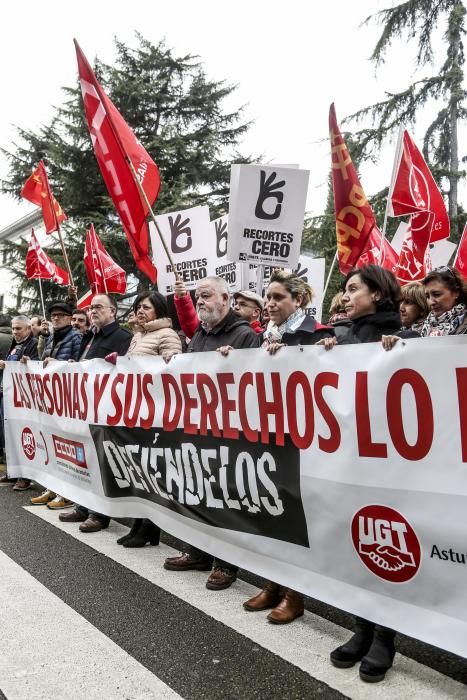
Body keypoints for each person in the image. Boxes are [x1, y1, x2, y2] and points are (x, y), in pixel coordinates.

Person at [322, 265, 415, 683]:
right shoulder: (338, 338)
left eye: (353, 289)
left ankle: (385, 638)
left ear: (378, 294)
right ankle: (361, 628)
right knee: (355, 546)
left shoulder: (407, 339)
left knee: (385, 547)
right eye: (343, 290)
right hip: (348, 462)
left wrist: (401, 353)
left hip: (392, 468)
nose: (345, 296)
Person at [241, 270, 334, 624]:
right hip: (271, 437)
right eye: (268, 297)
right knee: (274, 513)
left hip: (305, 442)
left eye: (278, 298)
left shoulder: (318, 335)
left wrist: (324, 352)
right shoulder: (263, 338)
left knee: (298, 519)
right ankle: (274, 583)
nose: (269, 304)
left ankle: (296, 594)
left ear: (298, 301)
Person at [164, 276, 260, 590]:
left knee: (226, 497)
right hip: (198, 427)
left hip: (228, 431)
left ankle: (226, 564)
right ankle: (198, 551)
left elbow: (254, 384)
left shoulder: (244, 335)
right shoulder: (200, 335)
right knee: (199, 491)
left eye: (205, 296)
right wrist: (174, 363)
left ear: (225, 298)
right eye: (197, 297)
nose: (200, 301)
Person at [59, 294, 132, 533]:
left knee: (102, 462)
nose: (93, 311)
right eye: (91, 308)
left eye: (98, 307)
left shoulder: (123, 337)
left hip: (107, 409)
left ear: (113, 311)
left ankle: (100, 513)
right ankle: (83, 504)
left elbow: (126, 370)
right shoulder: (90, 336)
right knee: (86, 459)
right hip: (85, 407)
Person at [114, 290, 182, 548]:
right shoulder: (138, 336)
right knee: (139, 470)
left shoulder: (167, 335)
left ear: (160, 311)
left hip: (155, 413)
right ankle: (140, 525)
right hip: (135, 411)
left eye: (146, 307)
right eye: (138, 307)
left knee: (154, 472)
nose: (140, 311)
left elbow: (172, 371)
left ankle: (151, 527)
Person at [30, 302, 82, 509]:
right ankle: (54, 487)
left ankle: (67, 493)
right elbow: (44, 359)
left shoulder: (76, 337)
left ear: (70, 317)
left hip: (67, 398)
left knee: (67, 446)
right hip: (52, 398)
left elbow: (78, 364)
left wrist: (57, 365)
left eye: (61, 315)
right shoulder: (52, 336)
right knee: (52, 444)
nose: (57, 318)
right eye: (54, 315)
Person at [0, 316, 39, 490]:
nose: (15, 332)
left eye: (19, 329)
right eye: (14, 328)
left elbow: (37, 366)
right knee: (10, 434)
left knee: (24, 435)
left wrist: (28, 363)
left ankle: (24, 476)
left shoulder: (34, 343)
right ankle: (13, 472)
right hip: (9, 395)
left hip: (24, 398)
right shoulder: (15, 344)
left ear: (28, 329)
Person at [420, 266, 467, 336]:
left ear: (456, 292)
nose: (431, 302)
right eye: (427, 296)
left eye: (436, 294)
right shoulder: (422, 327)